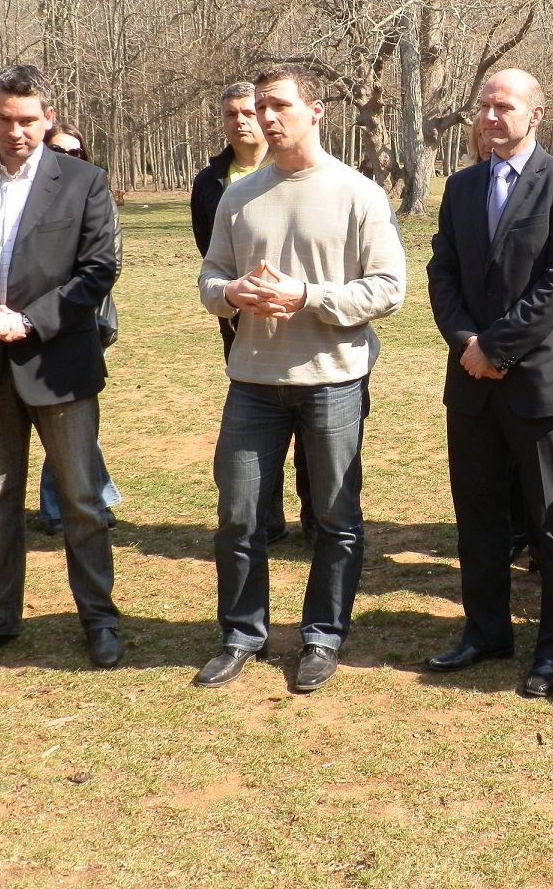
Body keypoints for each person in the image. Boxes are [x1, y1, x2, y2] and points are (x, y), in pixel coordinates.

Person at [196, 64, 404, 693]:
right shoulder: (238, 195)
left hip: (332, 380)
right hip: (252, 381)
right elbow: (209, 281)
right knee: (238, 515)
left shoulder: (358, 192)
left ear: (318, 111)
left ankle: (322, 635)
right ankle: (241, 634)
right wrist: (231, 292)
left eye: (280, 105)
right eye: (261, 106)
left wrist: (307, 296)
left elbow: (390, 289)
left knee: (336, 520)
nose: (266, 117)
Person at [0, 65, 122, 670]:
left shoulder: (84, 180)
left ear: (49, 119)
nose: (17, 131)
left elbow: (98, 269)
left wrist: (30, 320)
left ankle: (98, 618)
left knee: (83, 501)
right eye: (5, 119)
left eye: (29, 119)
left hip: (58, 364)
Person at [426, 69, 553, 698]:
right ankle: (486, 631)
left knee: (552, 524)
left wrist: (495, 349)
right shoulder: (462, 186)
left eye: (504, 107)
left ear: (536, 114)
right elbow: (442, 271)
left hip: (539, 386)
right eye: (484, 106)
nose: (490, 116)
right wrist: (468, 344)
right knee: (477, 517)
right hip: (471, 382)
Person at [190, 83, 305, 544]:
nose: (241, 120)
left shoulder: (300, 169)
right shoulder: (212, 182)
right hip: (242, 317)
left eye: (249, 111)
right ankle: (267, 518)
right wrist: (239, 294)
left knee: (313, 422)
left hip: (305, 314)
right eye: (231, 114)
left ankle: (318, 515)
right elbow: (211, 250)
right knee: (260, 422)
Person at [33, 123, 122, 536]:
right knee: (64, 423)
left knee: (76, 422)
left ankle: (83, 499)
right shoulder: (31, 198)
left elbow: (107, 264)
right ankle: (60, 506)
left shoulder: (94, 194)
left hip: (87, 319)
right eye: (57, 151)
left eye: (75, 153)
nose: (67, 159)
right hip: (30, 324)